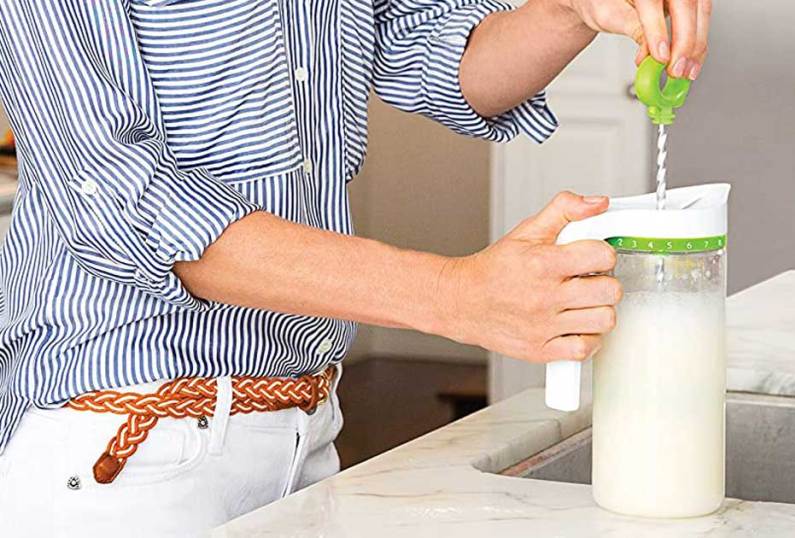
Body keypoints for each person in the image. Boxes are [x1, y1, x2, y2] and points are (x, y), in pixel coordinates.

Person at [0, 0, 711, 535]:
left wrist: (569, 10)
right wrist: (455, 295)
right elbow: (117, 194)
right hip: (124, 458)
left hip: (306, 436)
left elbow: (435, 54)